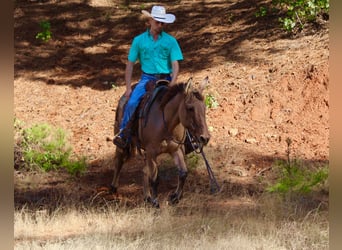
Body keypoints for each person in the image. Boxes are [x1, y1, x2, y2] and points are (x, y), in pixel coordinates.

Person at [113, 5, 184, 149]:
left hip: (166, 78)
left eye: (162, 23)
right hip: (147, 79)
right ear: (150, 21)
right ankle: (124, 134)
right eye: (157, 22)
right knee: (132, 102)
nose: (160, 25)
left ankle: (189, 138)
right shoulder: (138, 41)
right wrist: (128, 88)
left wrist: (173, 83)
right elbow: (130, 64)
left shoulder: (171, 41)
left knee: (185, 103)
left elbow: (175, 65)